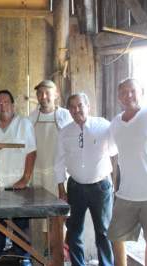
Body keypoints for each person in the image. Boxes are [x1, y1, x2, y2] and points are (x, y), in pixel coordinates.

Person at [54, 93, 116, 266]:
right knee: (74, 232)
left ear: (88, 106)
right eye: (72, 107)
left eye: (80, 105)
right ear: (69, 110)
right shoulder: (65, 132)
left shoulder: (103, 125)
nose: (76, 110)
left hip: (101, 187)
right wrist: (61, 188)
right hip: (75, 188)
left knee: (103, 232)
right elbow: (58, 161)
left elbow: (113, 150)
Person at [0, 90, 36, 266]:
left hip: (17, 184)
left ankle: (24, 256)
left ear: (13, 105)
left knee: (21, 221)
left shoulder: (24, 124)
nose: (2, 105)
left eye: (6, 102)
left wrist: (25, 178)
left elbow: (31, 152)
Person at [108, 78, 147, 266]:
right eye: (123, 92)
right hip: (126, 194)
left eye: (132, 91)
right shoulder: (115, 123)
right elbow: (107, 149)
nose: (128, 95)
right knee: (116, 236)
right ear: (118, 97)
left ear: (141, 92)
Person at [28, 80, 72, 194]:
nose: (43, 96)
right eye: (40, 93)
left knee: (61, 209)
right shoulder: (30, 119)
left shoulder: (67, 116)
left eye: (47, 92)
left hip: (60, 175)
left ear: (56, 94)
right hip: (38, 174)